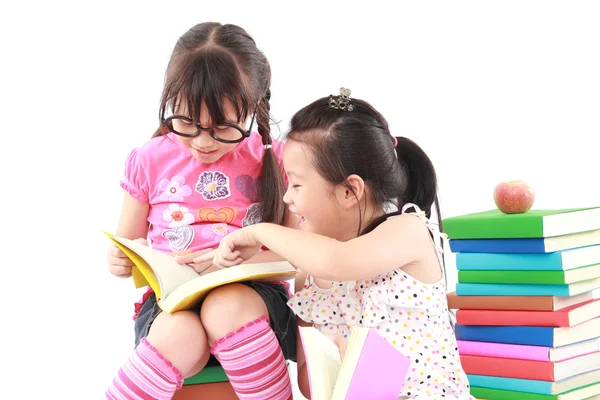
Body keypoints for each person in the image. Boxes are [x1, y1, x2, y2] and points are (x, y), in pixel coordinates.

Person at [207, 88, 474, 399]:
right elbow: (309, 384)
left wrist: (258, 232)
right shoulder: (311, 277)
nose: (286, 198)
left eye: (296, 184)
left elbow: (337, 262)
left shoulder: (407, 231)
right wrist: (334, 366)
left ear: (350, 191)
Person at [105, 22, 296, 400]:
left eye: (222, 127)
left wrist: (239, 260)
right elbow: (127, 245)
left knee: (225, 308)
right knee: (179, 335)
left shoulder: (276, 158)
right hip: (172, 303)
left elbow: (297, 252)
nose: (203, 142)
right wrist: (119, 258)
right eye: (187, 122)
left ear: (254, 107)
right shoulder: (148, 160)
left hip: (252, 298)